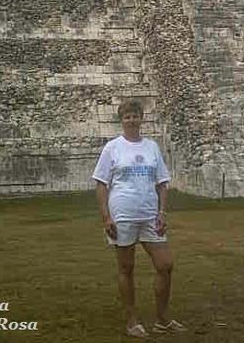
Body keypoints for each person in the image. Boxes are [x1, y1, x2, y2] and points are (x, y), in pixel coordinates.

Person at [92, 98, 187, 338]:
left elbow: (162, 183)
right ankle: (132, 320)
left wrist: (162, 212)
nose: (131, 120)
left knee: (165, 265)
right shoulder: (112, 148)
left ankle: (162, 319)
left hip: (149, 215)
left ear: (141, 118)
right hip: (122, 215)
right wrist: (106, 217)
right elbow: (101, 184)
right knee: (126, 268)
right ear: (121, 120)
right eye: (127, 116)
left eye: (135, 115)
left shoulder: (151, 147)